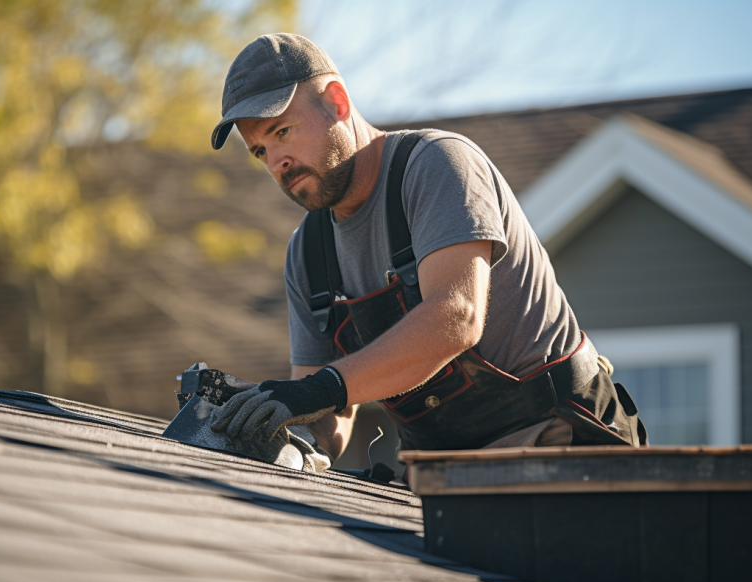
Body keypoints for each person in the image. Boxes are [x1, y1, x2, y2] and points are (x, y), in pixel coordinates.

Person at [208, 33, 645, 461]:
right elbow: (323, 412)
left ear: (337, 102)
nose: (277, 163)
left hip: (563, 439)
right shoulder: (308, 253)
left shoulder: (435, 164)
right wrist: (285, 439)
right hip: (437, 470)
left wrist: (322, 388)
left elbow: (456, 316)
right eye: (259, 151)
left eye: (283, 131)